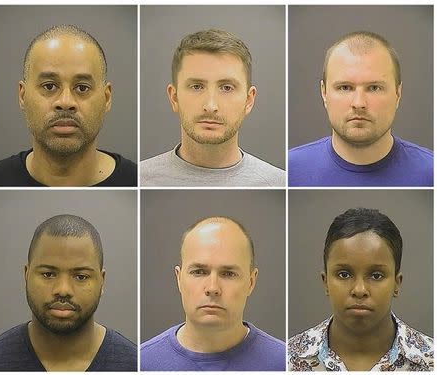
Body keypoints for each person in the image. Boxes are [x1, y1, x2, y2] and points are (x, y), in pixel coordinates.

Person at [288, 208, 433, 371]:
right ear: (326, 282)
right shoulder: (289, 359)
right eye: (344, 274)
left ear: (396, 283)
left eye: (376, 275)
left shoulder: (430, 360)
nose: (359, 290)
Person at [0, 25, 137, 186]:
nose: (66, 102)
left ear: (107, 98)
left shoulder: (137, 180)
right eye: (49, 86)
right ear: (22, 95)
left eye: (82, 88)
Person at [140, 29, 285, 187]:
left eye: (227, 88)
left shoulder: (279, 182)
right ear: (174, 97)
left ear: (248, 100)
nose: (210, 106)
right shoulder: (139, 179)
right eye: (196, 86)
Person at [0, 214, 137, 371]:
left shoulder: (136, 365)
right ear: (26, 275)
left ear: (102, 281)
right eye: (48, 274)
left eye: (81, 276)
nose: (63, 290)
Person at [288, 31, 433, 187]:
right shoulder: (289, 171)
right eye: (344, 87)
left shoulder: (431, 172)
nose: (358, 103)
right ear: (324, 92)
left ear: (398, 94)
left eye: (374, 88)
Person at [140, 216, 285, 370]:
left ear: (251, 282)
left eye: (228, 274)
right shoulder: (142, 363)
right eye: (199, 272)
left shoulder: (283, 363)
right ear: (179, 278)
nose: (212, 288)